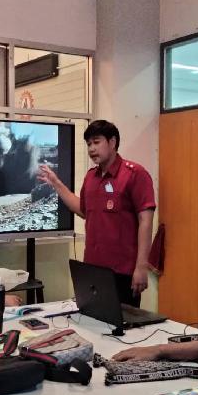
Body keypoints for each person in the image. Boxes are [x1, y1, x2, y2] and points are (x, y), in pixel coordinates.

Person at [38, 120, 155, 307]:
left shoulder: (134, 174)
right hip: (93, 270)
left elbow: (145, 222)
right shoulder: (91, 177)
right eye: (89, 144)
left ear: (112, 142)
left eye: (96, 142)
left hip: (122, 272)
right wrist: (56, 183)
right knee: (93, 320)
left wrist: (141, 267)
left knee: (123, 324)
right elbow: (83, 210)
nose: (91, 148)